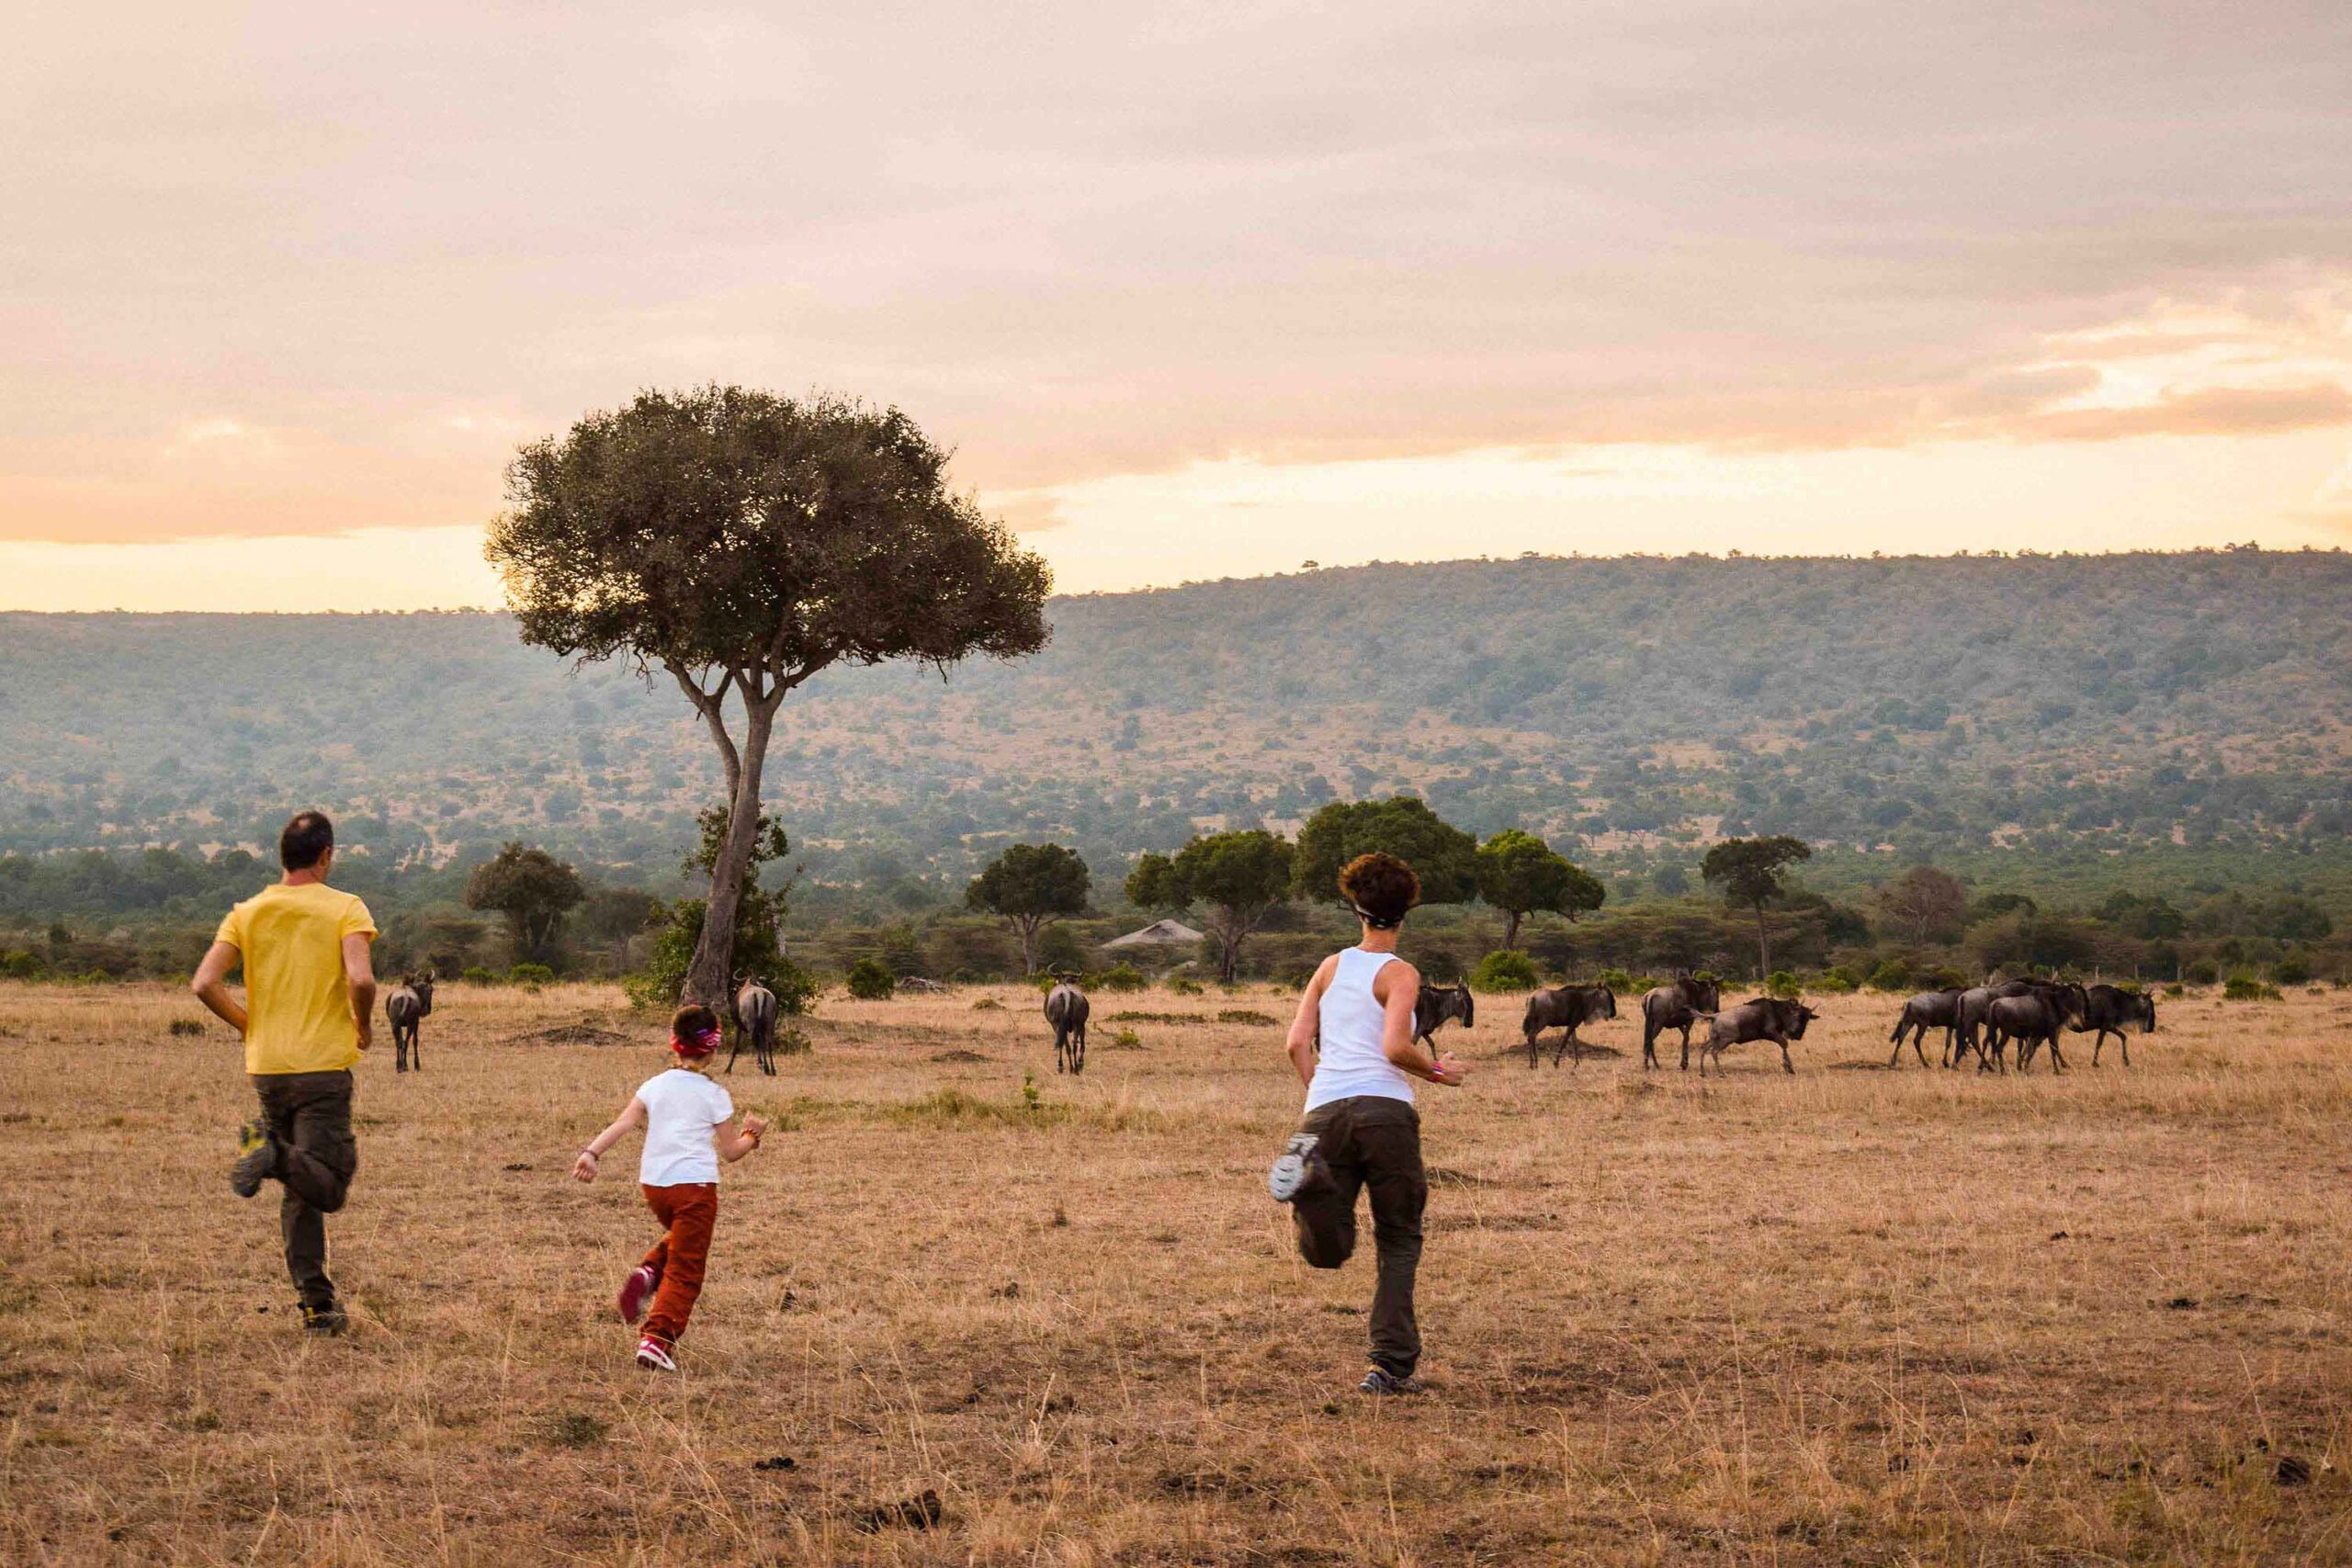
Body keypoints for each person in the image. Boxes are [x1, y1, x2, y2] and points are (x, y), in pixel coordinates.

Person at [1267, 852, 1470, 1394]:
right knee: (1399, 1236)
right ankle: (1390, 1365)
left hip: (1325, 1110)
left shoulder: (1330, 966)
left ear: (1356, 909)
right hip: (1385, 1112)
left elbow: (1294, 1043)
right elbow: (1397, 1047)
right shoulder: (1400, 973)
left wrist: (1319, 1094)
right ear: (1407, 911)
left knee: (1327, 1251)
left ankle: (1312, 1189)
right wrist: (1440, 1072)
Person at [191, 810, 379, 1335]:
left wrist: (248, 1027)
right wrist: (362, 1026)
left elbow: (204, 983)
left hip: (268, 1068)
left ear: (283, 858)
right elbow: (361, 980)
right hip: (322, 1067)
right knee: (331, 1186)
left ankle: (318, 1307)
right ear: (326, 855)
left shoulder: (246, 912)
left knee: (300, 1183)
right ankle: (268, 1154)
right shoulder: (345, 907)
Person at [572, 1004, 771, 1372]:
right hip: (694, 1187)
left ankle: (648, 1273)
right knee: (687, 1267)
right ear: (712, 1050)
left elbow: (624, 1123)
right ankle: (657, 1340)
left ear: (674, 1044)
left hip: (654, 1186)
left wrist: (591, 1153)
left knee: (683, 1238)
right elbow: (731, 1153)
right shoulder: (715, 1094)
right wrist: (753, 1134)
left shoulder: (653, 1085)